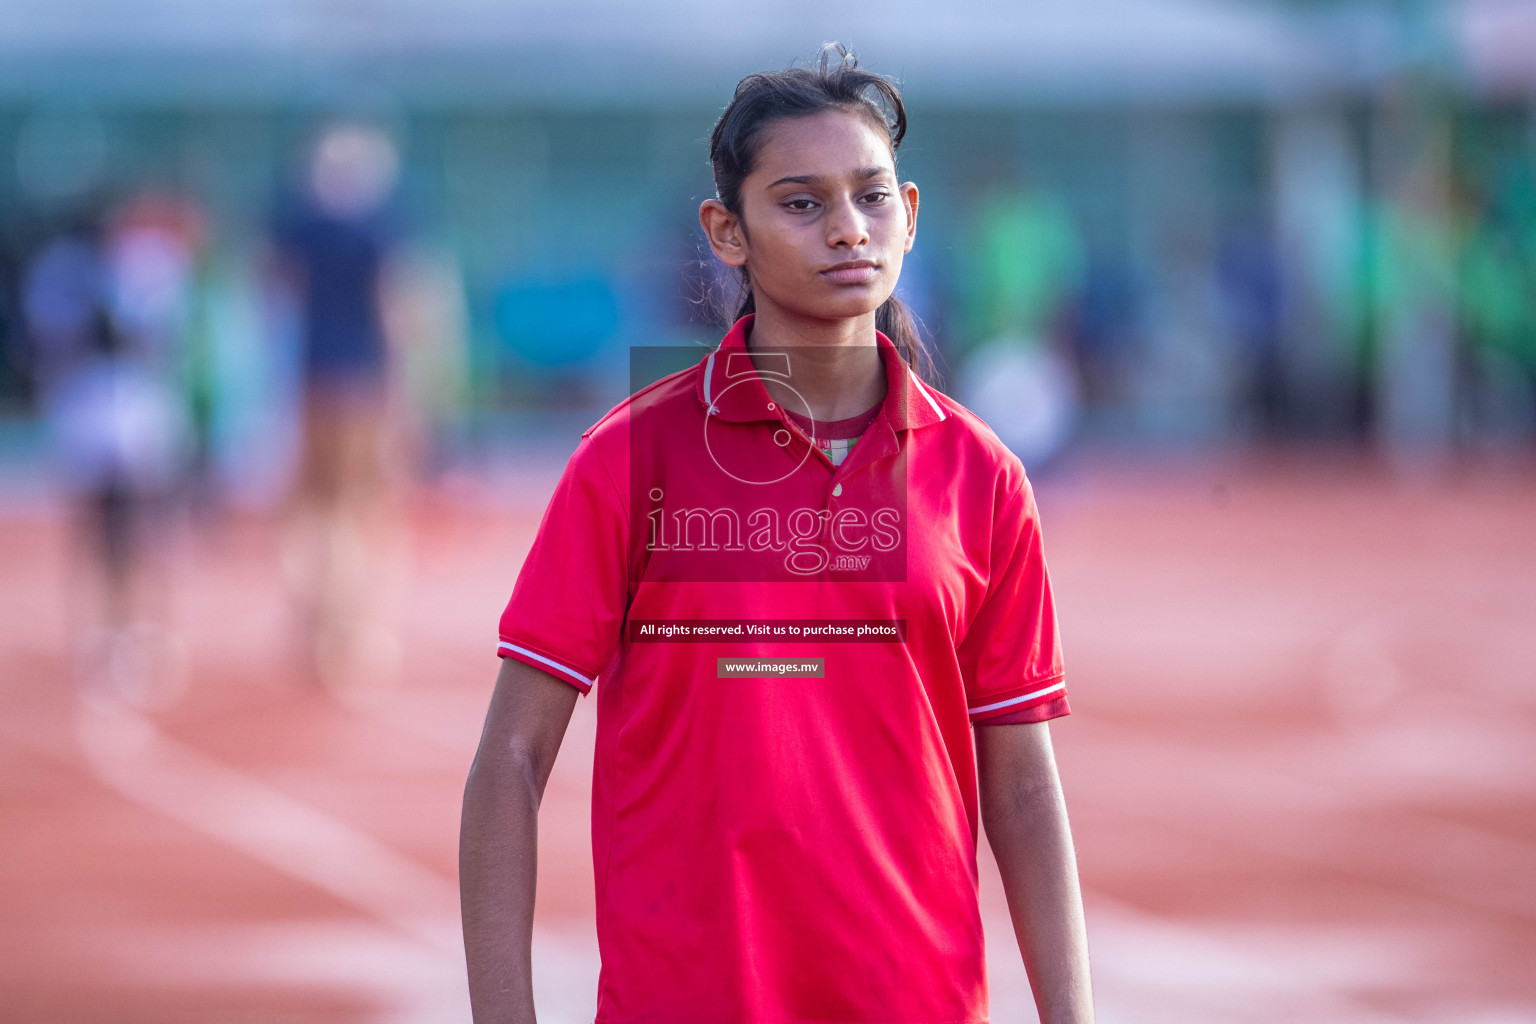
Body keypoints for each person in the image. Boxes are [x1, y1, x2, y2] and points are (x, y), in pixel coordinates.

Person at [461, 46, 1094, 1024]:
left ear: (912, 214)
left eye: (872, 198)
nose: (848, 228)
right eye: (801, 203)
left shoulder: (985, 479)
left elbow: (1020, 785)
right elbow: (509, 756)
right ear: (728, 231)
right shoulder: (630, 460)